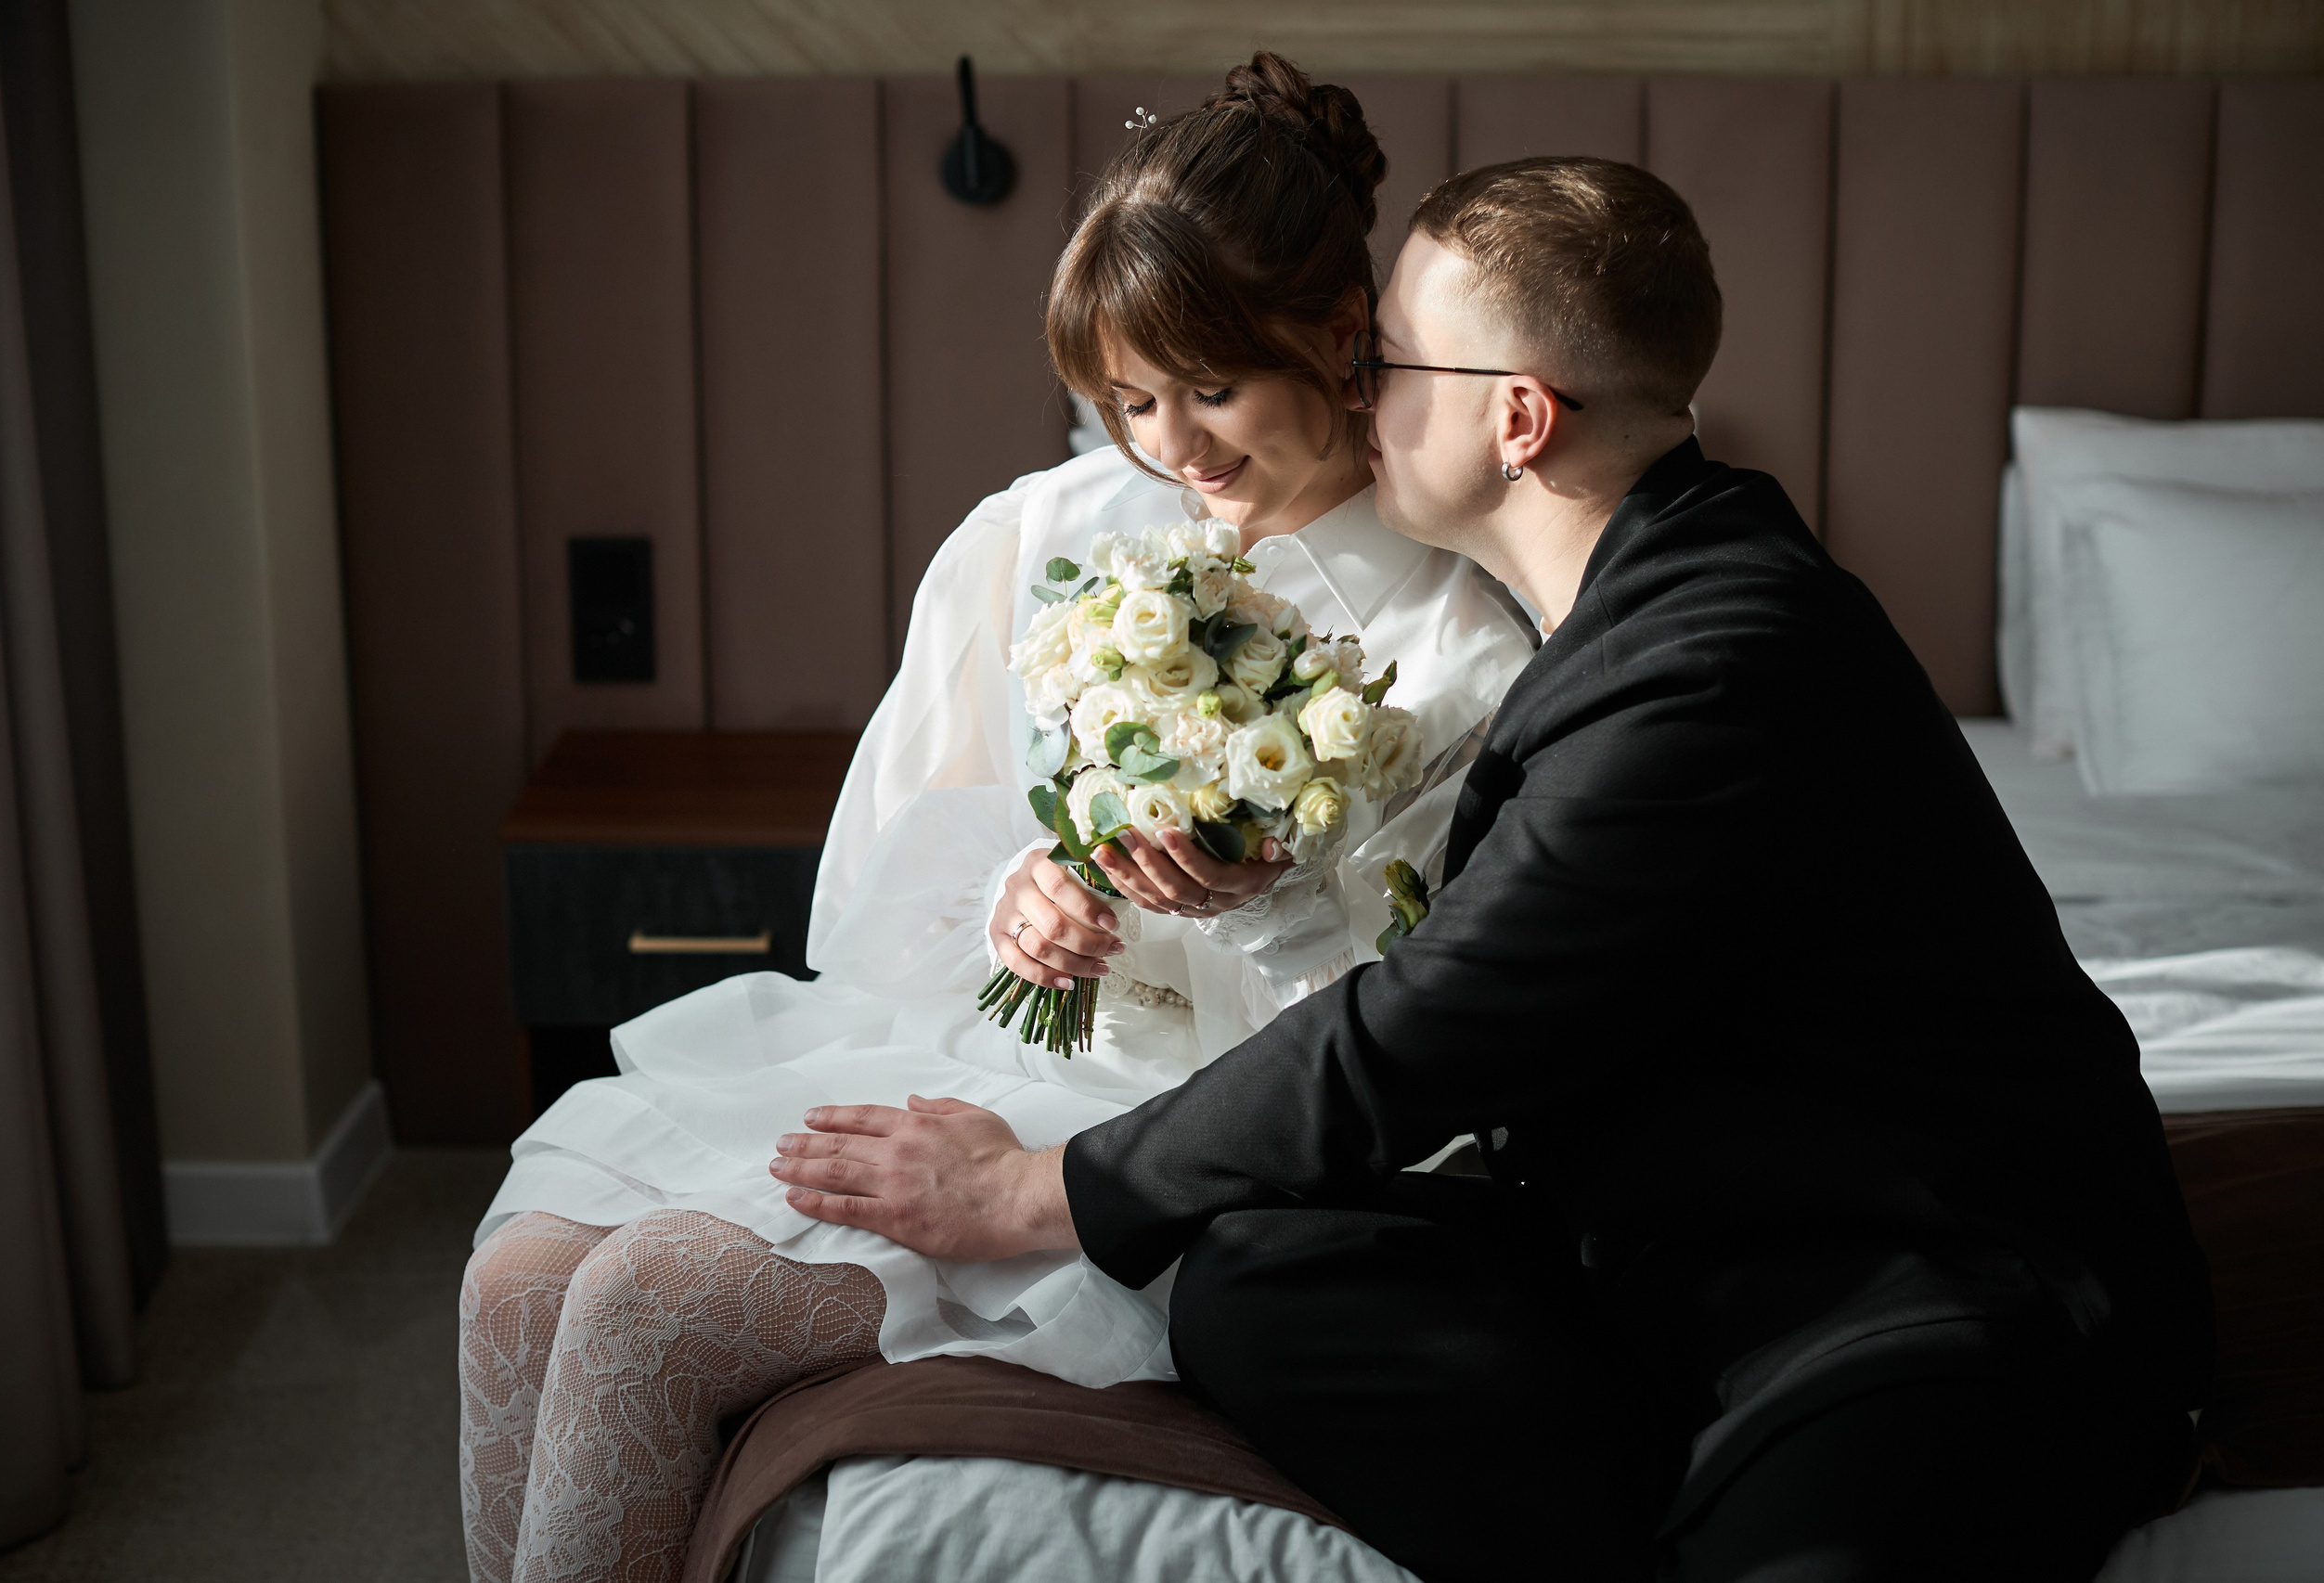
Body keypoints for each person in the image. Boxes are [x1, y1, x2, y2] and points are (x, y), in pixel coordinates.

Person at [770, 158, 2214, 1582]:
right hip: (1660, 1248)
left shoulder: (1715, 661)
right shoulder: (1634, 599)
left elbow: (1420, 1026)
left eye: (1387, 356)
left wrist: (1035, 1189)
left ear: (1516, 418)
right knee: (1261, 1277)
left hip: (1902, 1290)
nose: (1355, 385)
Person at [453, 55, 1537, 1583]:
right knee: (517, 1281)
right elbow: (876, 905)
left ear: (1340, 335)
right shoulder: (1042, 537)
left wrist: (1266, 901)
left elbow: (1416, 1060)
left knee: (645, 1304)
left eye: (1213, 388)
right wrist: (1014, 897)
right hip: (982, 1047)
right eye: (1131, 400)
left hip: (1174, 1136)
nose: (1173, 448)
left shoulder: (1456, 647)